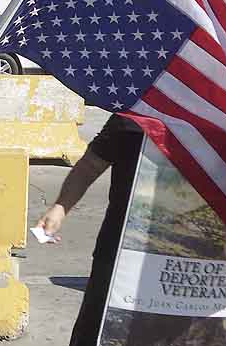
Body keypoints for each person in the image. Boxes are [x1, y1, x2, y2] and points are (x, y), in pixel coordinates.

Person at [35, 113, 143, 346]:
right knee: (98, 327)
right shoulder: (134, 114)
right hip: (122, 252)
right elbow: (91, 165)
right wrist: (60, 208)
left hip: (205, 256)